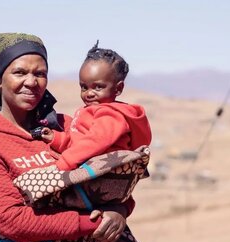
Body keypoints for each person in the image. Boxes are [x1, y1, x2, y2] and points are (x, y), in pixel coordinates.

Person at [0, 33, 161, 242]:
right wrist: (91, 224)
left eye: (40, 73)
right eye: (19, 72)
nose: (31, 82)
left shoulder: (67, 127)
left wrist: (120, 210)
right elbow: (12, 221)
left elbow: (111, 181)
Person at [38, 42, 152, 171]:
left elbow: (93, 143)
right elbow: (79, 143)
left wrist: (63, 164)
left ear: (118, 88)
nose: (89, 93)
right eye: (84, 87)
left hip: (104, 173)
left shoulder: (111, 116)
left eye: (98, 87)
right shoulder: (90, 111)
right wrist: (57, 139)